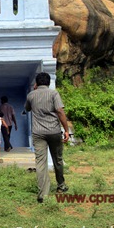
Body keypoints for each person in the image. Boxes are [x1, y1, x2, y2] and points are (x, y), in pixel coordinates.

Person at [24, 72, 70, 203]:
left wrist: (33, 92)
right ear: (49, 83)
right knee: (58, 159)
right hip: (54, 131)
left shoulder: (31, 95)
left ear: (36, 84)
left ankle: (43, 194)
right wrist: (66, 130)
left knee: (40, 163)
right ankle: (61, 186)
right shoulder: (54, 93)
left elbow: (27, 109)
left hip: (38, 133)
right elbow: (60, 111)